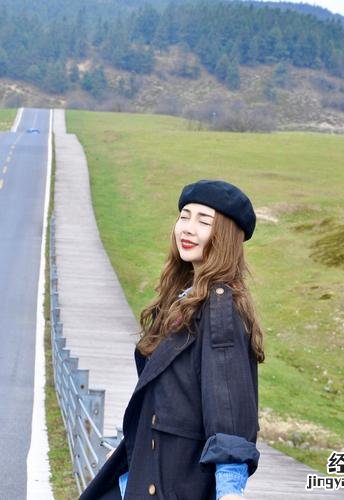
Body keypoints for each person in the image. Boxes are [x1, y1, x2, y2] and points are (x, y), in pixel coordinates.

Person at [80, 180, 265, 500]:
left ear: (225, 238)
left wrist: (231, 489)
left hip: (174, 483)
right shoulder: (184, 298)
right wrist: (129, 455)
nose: (188, 229)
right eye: (184, 216)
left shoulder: (219, 308)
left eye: (204, 221)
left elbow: (229, 405)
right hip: (146, 469)